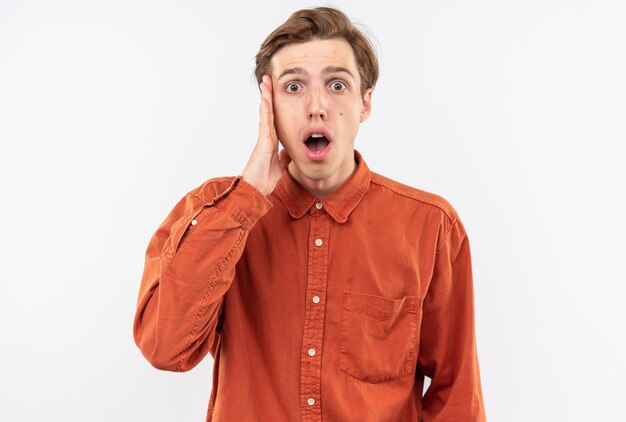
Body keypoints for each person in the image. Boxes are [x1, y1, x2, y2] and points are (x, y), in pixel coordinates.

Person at [133, 6, 486, 421]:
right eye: (294, 87)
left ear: (365, 104)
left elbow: (456, 397)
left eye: (337, 85)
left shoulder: (431, 225)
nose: (316, 106)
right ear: (270, 105)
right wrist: (245, 200)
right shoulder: (214, 210)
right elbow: (164, 347)